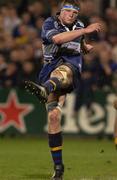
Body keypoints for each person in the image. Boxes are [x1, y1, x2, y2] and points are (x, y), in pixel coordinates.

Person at [24, 0, 102, 179]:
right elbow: (58, 39)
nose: (71, 16)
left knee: (64, 71)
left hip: (71, 67)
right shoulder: (50, 23)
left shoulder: (79, 25)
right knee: (53, 117)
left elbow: (78, 41)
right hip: (49, 70)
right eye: (68, 12)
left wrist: (84, 47)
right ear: (61, 11)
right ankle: (58, 168)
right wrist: (84, 32)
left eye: (75, 13)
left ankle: (45, 89)